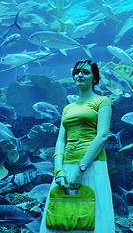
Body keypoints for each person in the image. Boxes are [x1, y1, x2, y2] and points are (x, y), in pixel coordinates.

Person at [40, 60, 115, 233]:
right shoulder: (68, 108)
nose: (80, 75)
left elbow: (102, 135)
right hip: (65, 168)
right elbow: (60, 141)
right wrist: (58, 170)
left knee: (93, 217)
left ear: (95, 78)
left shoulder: (102, 101)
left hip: (92, 166)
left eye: (86, 72)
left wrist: (80, 170)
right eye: (77, 72)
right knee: (60, 216)